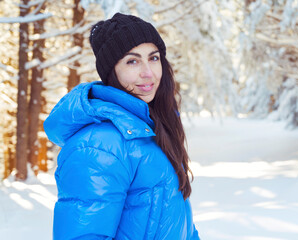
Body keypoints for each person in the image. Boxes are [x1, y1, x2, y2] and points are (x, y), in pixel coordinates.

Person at [44, 13, 200, 240]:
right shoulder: (98, 145)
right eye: (132, 61)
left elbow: (181, 225)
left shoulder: (150, 132)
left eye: (154, 58)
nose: (148, 72)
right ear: (112, 72)